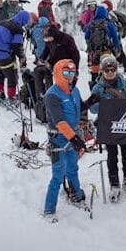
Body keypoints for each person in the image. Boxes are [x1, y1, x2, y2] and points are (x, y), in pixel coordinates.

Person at [88, 55, 126, 202]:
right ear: (102, 71)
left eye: (112, 69)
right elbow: (91, 108)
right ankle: (114, 184)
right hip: (108, 126)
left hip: (124, 125)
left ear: (116, 70)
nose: (110, 72)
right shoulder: (98, 88)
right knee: (111, 156)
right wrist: (106, 104)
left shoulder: (125, 85)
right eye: (107, 70)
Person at [42, 59, 87, 221]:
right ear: (58, 73)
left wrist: (91, 102)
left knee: (72, 169)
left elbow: (79, 108)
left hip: (72, 136)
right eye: (66, 73)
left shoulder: (74, 91)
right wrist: (75, 140)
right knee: (58, 174)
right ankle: (49, 210)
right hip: (58, 140)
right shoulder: (51, 95)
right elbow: (59, 121)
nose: (69, 76)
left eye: (72, 73)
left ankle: (76, 195)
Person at [0, 10, 31, 99]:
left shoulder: (2, 22)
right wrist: (22, 58)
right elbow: (16, 47)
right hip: (4, 56)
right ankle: (11, 97)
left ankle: (0, 94)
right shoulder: (17, 29)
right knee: (12, 77)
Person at [84, 5, 121, 88]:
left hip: (94, 51)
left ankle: (93, 86)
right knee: (107, 67)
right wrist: (117, 49)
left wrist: (91, 46)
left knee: (95, 68)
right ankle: (106, 86)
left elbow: (86, 36)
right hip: (106, 50)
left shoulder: (91, 24)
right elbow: (115, 37)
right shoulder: (109, 23)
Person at [102, 0, 126, 74]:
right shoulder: (113, 14)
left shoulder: (110, 15)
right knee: (118, 51)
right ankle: (124, 66)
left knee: (117, 51)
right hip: (117, 35)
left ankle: (125, 67)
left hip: (113, 36)